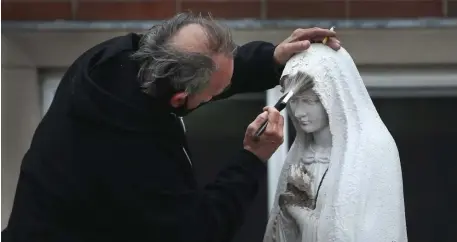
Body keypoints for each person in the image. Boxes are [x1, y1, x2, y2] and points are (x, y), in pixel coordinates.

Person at [2, 13, 340, 242]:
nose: (221, 92)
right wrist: (251, 158)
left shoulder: (122, 56)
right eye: (215, 93)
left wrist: (273, 59)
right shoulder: (135, 154)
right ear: (179, 99)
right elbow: (198, 232)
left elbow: (207, 66)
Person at [263, 44, 407, 242]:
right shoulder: (300, 155)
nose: (298, 113)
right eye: (294, 101)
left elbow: (371, 232)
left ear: (332, 97)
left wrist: (303, 217)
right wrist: (289, 215)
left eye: (308, 101)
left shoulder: (372, 149)